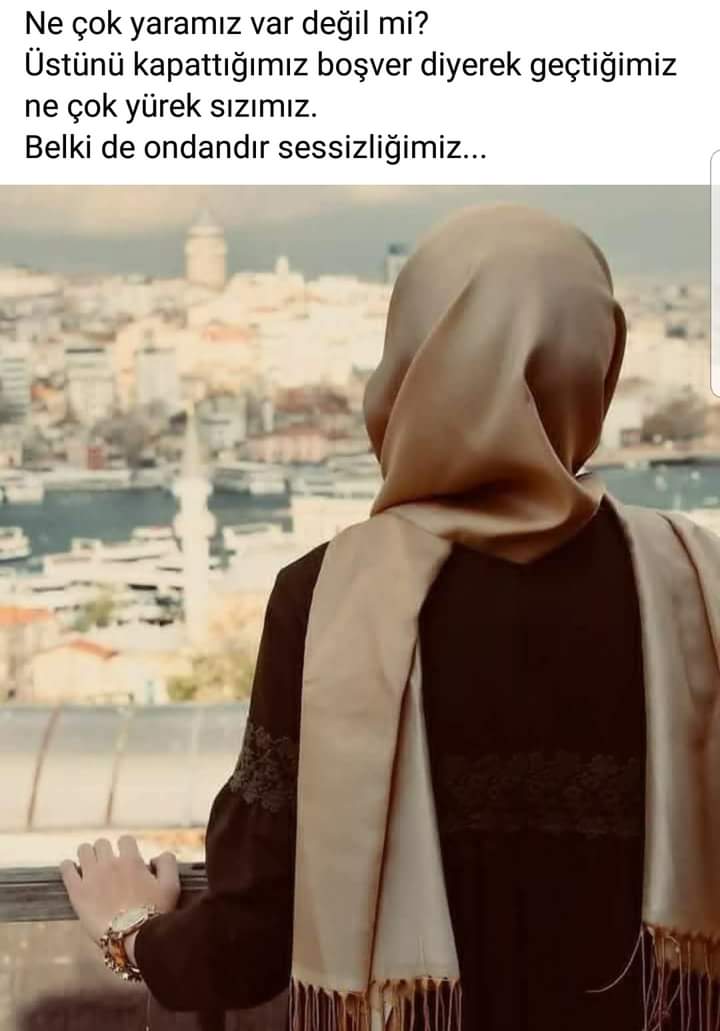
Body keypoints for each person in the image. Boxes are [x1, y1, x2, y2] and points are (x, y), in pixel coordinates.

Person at [61, 205, 720, 1031]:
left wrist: (131, 932)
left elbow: (253, 939)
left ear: (411, 363)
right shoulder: (694, 581)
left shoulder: (327, 595)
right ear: (597, 365)